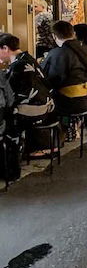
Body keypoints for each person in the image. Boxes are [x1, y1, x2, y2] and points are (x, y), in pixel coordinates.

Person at [0, 33, 54, 172]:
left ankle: (13, 154)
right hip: (45, 107)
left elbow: (9, 98)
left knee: (4, 117)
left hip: (31, 112)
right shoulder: (28, 59)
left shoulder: (17, 66)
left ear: (5, 48)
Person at [41, 21, 87, 118]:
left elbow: (51, 79)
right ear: (73, 33)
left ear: (54, 36)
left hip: (69, 101)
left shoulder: (57, 53)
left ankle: (61, 130)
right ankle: (75, 128)